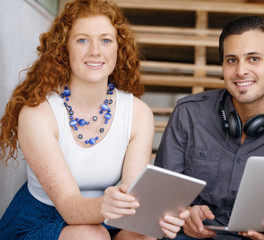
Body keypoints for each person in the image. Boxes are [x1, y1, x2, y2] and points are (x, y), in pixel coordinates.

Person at [0, 0, 188, 239]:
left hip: (108, 217)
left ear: (118, 49)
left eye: (106, 40)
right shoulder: (38, 113)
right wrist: (104, 207)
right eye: (82, 40)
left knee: (143, 235)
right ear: (64, 49)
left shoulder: (138, 113)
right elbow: (69, 207)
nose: (95, 51)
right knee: (92, 235)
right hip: (41, 219)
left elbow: (131, 199)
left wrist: (160, 217)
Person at [154, 15, 264, 240]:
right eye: (231, 60)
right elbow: (161, 202)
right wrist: (185, 215)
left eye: (254, 59)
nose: (240, 71)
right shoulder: (189, 114)